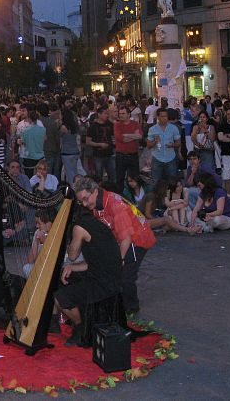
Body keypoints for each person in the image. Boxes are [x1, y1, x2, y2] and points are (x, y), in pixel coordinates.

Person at [74, 176, 156, 315]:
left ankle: (131, 308)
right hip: (125, 237)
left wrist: (119, 259)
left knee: (125, 276)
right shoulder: (99, 202)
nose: (85, 204)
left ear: (95, 191)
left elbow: (126, 239)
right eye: (81, 201)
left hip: (138, 238)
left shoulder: (115, 205)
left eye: (86, 199)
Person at [54, 206, 123, 346]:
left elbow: (72, 255)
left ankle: (81, 328)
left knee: (58, 296)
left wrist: (67, 240)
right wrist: (72, 267)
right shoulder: (97, 224)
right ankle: (81, 317)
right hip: (111, 279)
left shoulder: (79, 227)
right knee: (68, 277)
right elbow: (94, 261)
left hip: (102, 283)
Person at [147, 108, 182, 182]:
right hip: (157, 159)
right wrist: (155, 142)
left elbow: (179, 143)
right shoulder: (152, 129)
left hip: (170, 159)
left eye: (166, 116)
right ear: (158, 117)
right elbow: (148, 146)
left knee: (172, 182)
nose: (165, 118)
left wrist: (173, 145)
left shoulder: (174, 128)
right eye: (162, 116)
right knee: (155, 182)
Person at [114, 106, 142, 190]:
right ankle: (120, 194)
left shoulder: (135, 124)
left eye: (123, 113)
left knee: (135, 178)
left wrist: (126, 135)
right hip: (121, 155)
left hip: (133, 155)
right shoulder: (117, 125)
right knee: (120, 178)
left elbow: (139, 136)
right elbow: (123, 139)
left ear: (129, 114)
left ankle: (134, 195)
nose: (121, 115)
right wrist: (133, 135)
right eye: (120, 113)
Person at [86, 106, 116, 182]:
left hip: (110, 154)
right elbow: (88, 141)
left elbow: (113, 136)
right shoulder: (93, 126)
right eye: (105, 113)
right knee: (99, 177)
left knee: (113, 176)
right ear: (99, 114)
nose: (107, 115)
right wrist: (99, 144)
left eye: (107, 113)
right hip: (98, 155)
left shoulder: (110, 124)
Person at [59, 108, 81, 184]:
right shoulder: (75, 126)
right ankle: (77, 186)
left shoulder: (63, 127)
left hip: (67, 152)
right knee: (75, 172)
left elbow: (59, 137)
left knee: (70, 174)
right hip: (75, 151)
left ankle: (73, 188)